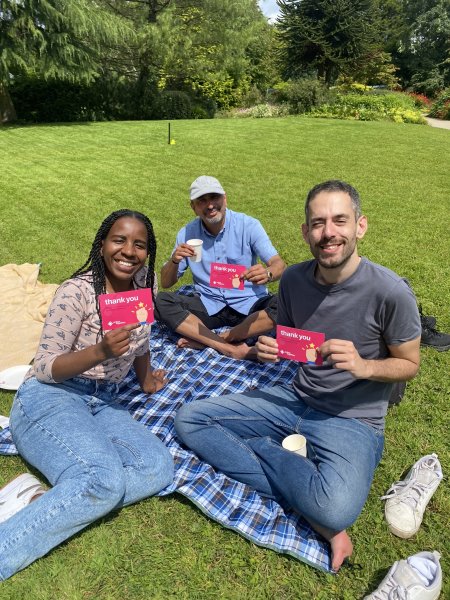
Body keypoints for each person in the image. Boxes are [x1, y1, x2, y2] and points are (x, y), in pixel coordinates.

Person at [174, 180, 421, 572]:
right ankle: (298, 484)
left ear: (360, 226)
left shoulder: (390, 292)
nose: (329, 233)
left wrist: (365, 366)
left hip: (353, 420)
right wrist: (267, 349)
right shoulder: (292, 281)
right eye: (318, 223)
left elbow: (409, 363)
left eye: (339, 220)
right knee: (190, 420)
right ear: (306, 232)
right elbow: (290, 341)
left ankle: (266, 455)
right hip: (295, 397)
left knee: (335, 510)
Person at [0, 209, 174, 581]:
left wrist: (144, 380)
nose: (128, 251)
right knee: (105, 479)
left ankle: (45, 500)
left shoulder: (145, 286)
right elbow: (45, 367)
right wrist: (100, 352)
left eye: (139, 244)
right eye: (119, 240)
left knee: (157, 466)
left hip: (105, 400)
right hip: (51, 395)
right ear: (101, 244)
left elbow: (142, 342)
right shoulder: (76, 291)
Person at [154, 176, 286, 359]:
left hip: (249, 304)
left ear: (225, 199)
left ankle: (221, 338)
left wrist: (268, 273)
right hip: (209, 304)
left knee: (286, 303)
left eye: (214, 197)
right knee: (161, 301)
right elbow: (166, 283)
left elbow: (279, 264)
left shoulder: (248, 225)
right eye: (202, 200)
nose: (209, 205)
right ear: (193, 207)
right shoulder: (187, 233)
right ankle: (230, 349)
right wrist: (174, 261)